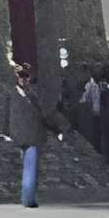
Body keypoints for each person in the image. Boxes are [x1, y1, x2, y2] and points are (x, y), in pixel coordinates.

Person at [6, 55, 65, 206]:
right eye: (22, 76)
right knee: (27, 167)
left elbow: (42, 116)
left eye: (26, 76)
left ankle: (28, 198)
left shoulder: (31, 95)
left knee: (30, 167)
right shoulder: (15, 95)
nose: (24, 79)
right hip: (20, 134)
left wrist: (55, 129)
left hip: (30, 135)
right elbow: (5, 115)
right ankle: (27, 198)